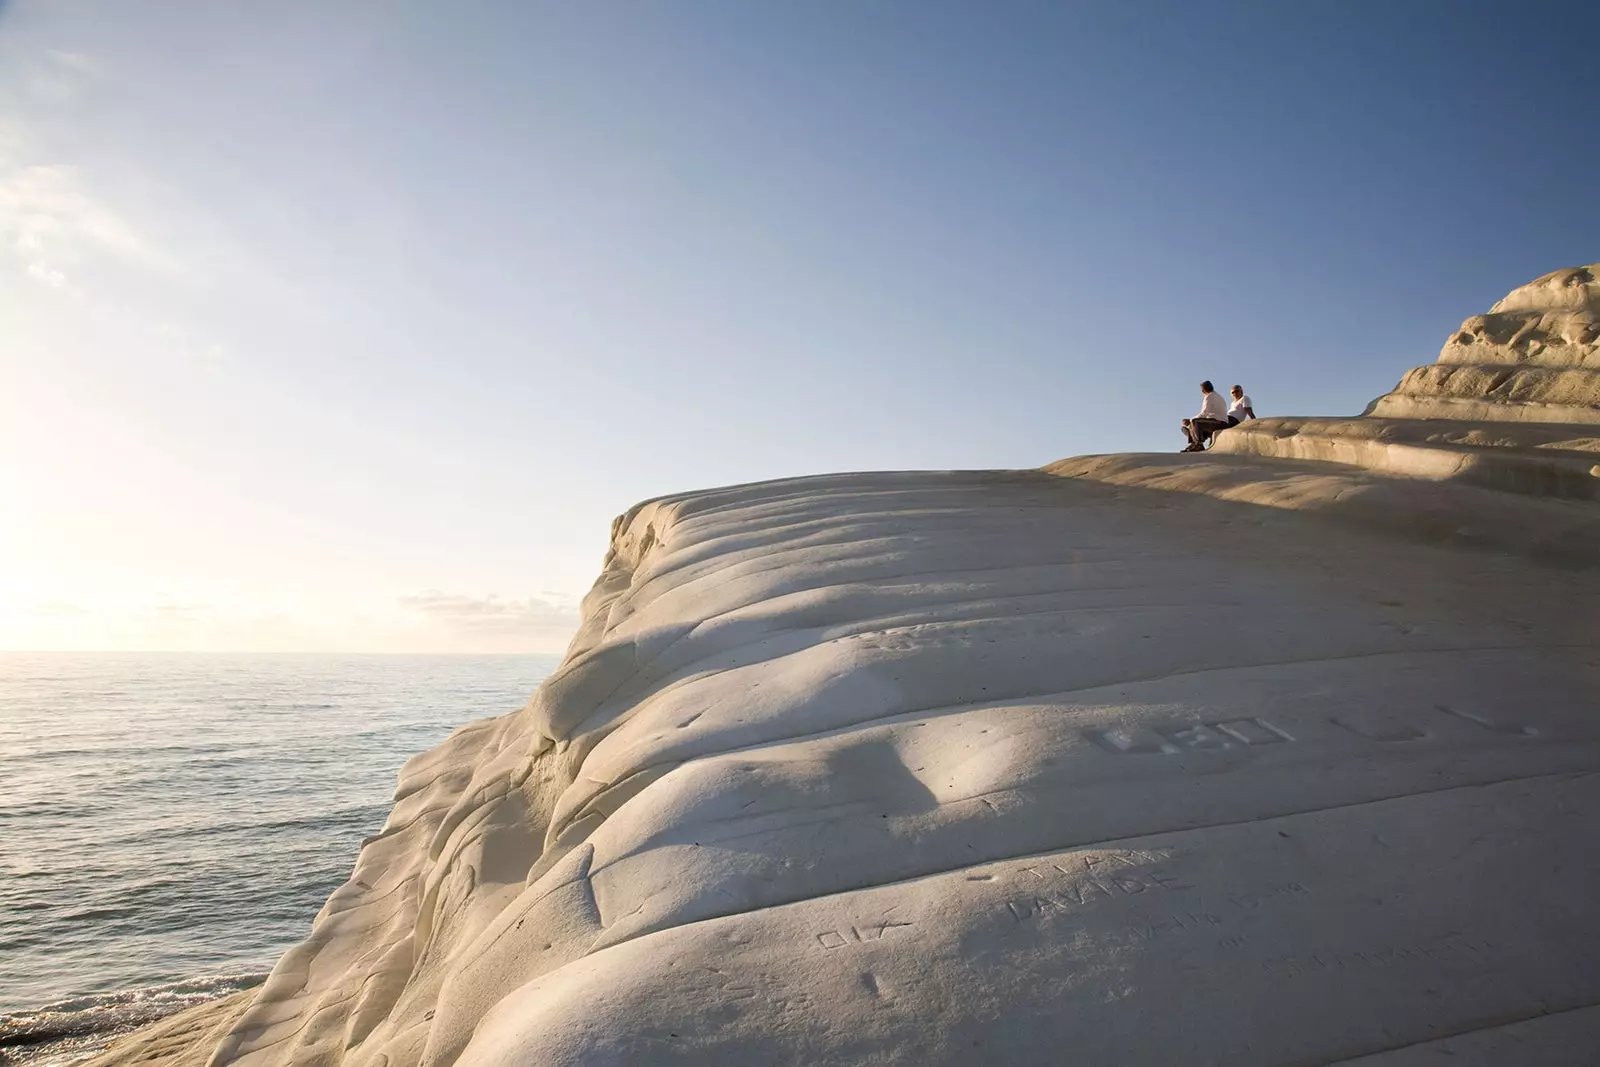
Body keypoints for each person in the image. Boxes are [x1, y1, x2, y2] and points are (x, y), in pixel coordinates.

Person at [1181, 380, 1230, 451]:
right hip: (1218, 422)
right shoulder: (1217, 396)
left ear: (1202, 391)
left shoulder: (1209, 396)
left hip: (1220, 423)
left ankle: (1198, 444)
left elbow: (1204, 413)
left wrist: (1190, 420)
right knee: (1191, 425)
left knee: (1195, 422)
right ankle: (1194, 443)